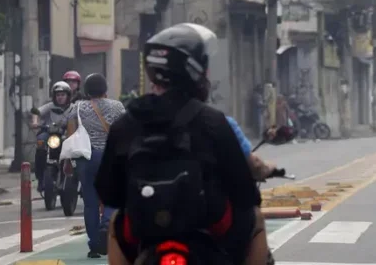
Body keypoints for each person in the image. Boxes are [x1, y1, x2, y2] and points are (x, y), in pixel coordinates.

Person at [96, 23, 269, 265]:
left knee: (115, 225)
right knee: (256, 220)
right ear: (195, 70)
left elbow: (108, 191)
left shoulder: (126, 124)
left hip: (146, 229)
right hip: (209, 226)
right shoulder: (213, 121)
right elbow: (244, 191)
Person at [65, 74, 125, 258]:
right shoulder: (117, 107)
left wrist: (68, 160)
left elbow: (71, 134)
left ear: (86, 90)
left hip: (86, 158)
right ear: (104, 89)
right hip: (109, 158)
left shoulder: (77, 107)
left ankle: (93, 245)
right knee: (112, 197)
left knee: (90, 203)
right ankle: (106, 222)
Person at [31, 81, 73, 193]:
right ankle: (40, 178)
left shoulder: (73, 108)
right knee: (40, 143)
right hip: (49, 133)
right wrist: (35, 122)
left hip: (65, 135)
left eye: (63, 95)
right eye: (58, 95)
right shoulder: (50, 106)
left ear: (68, 96)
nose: (60, 97)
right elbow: (36, 112)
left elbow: (81, 116)